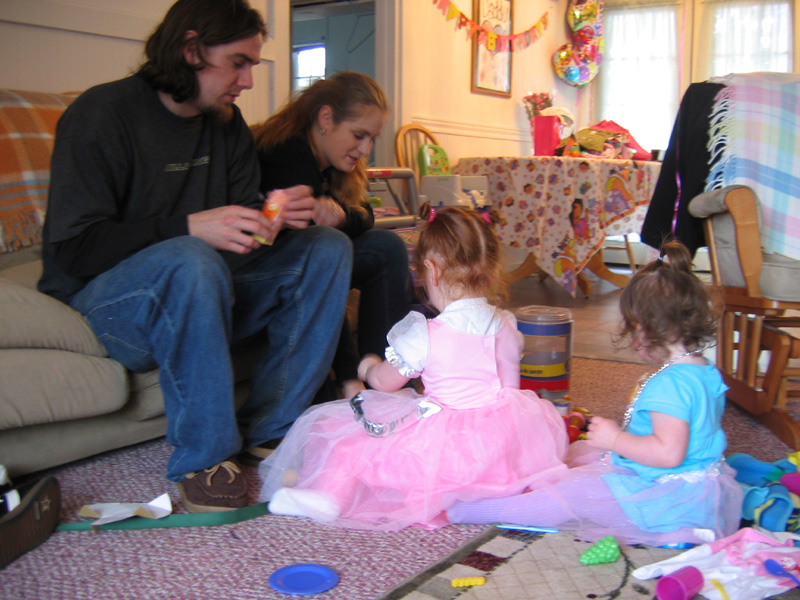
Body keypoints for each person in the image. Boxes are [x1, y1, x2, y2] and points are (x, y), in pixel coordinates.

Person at [37, 0, 352, 513]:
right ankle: (202, 458)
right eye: (239, 62)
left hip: (203, 283)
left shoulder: (224, 124)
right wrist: (188, 229)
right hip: (112, 304)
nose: (248, 80)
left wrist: (275, 217)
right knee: (189, 256)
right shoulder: (100, 114)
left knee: (327, 248)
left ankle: (274, 431)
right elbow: (73, 249)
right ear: (190, 51)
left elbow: (242, 225)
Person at [257, 206, 569, 531]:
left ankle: (328, 496)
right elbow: (509, 390)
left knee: (351, 440)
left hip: (444, 448)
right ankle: (493, 489)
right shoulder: (506, 324)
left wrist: (368, 366)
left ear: (431, 272)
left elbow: (385, 384)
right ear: (490, 268)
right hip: (501, 444)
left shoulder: (425, 334)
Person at [447, 241, 744, 546]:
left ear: (644, 328)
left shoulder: (670, 385)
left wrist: (616, 439)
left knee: (571, 495)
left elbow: (668, 454)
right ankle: (527, 480)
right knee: (580, 454)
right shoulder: (704, 370)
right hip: (691, 484)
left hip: (664, 497)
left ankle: (466, 509)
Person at [249, 72, 410, 418]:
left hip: (315, 258)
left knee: (386, 246)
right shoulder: (286, 155)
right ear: (325, 118)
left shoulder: (334, 163)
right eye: (358, 135)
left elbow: (364, 213)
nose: (365, 149)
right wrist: (347, 373)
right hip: (273, 269)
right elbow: (316, 262)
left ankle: (382, 370)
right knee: (337, 251)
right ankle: (352, 380)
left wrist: (341, 216)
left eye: (371, 138)